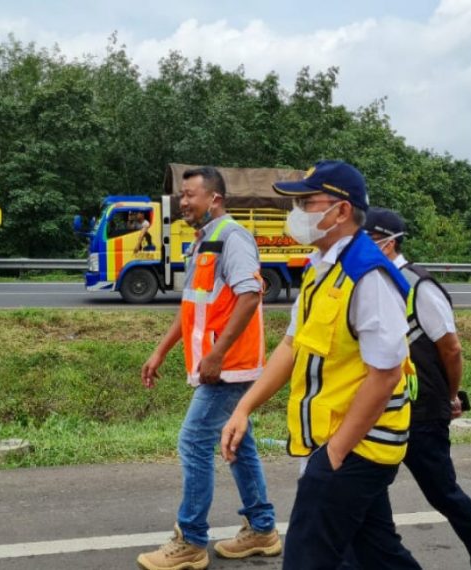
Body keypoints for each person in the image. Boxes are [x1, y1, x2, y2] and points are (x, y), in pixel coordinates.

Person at [220, 160, 421, 570]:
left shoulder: (368, 276)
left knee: (306, 558)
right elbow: (292, 345)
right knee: (377, 555)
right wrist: (244, 407)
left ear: (341, 211)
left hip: (357, 447)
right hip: (337, 444)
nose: (296, 213)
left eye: (307, 202)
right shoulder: (319, 270)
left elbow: (386, 376)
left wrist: (333, 455)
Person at [137, 166, 279, 570]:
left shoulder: (233, 237)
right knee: (238, 444)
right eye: (182, 196)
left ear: (213, 198)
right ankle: (262, 528)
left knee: (194, 441)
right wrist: (161, 351)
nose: (183, 202)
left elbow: (250, 296)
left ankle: (191, 540)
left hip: (229, 367)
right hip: (217, 365)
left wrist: (217, 355)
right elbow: (193, 309)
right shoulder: (204, 241)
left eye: (190, 195)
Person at [363, 207, 471, 570]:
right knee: (364, 494)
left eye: (365, 240)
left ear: (389, 244)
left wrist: (450, 396)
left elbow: (451, 348)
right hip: (382, 408)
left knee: (444, 493)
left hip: (422, 412)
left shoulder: (419, 286)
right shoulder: (372, 285)